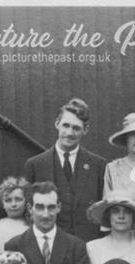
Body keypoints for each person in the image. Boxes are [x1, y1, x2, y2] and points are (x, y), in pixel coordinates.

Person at [23, 98, 107, 242]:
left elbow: (103, 212)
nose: (69, 133)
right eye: (66, 125)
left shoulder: (98, 165)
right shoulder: (35, 165)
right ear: (57, 124)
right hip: (49, 245)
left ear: (85, 130)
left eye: (76, 128)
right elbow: (28, 212)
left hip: (88, 245)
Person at [0, 176, 32, 254]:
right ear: (2, 204)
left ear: (26, 202)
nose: (13, 204)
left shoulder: (32, 226)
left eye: (18, 199)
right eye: (8, 200)